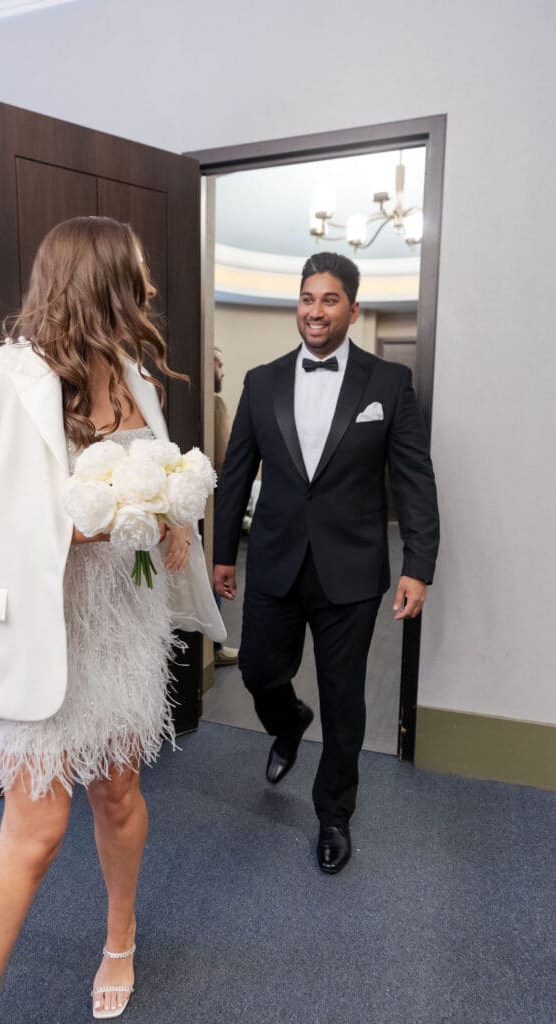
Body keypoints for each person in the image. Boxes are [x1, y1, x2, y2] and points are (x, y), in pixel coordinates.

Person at [0, 216, 225, 1023]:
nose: (149, 287)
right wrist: (86, 521)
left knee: (117, 792)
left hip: (120, 622)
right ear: (101, 278)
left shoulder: (136, 374)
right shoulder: (3, 378)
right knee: (34, 831)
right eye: (138, 271)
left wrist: (169, 518)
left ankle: (121, 937)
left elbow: (155, 469)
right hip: (39, 628)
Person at [213, 251, 439, 876]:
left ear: (352, 308)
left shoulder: (387, 385)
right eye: (308, 298)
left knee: (345, 701)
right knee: (257, 669)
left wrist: (418, 564)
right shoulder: (261, 381)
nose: (316, 310)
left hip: (352, 569)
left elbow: (414, 478)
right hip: (276, 560)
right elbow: (235, 475)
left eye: (330, 299)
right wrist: (222, 554)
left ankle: (334, 813)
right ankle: (288, 722)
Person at [212, 346, 239, 667]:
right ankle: (215, 647)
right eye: (218, 365)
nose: (222, 372)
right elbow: (224, 459)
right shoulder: (215, 405)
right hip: (213, 503)